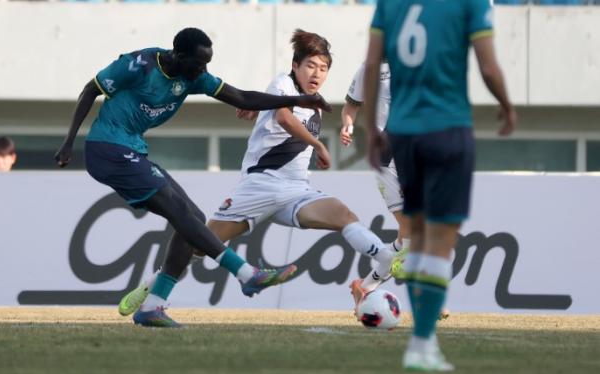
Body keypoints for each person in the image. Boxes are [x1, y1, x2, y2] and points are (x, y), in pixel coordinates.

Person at [55, 27, 331, 327]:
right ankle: (245, 273)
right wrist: (69, 142)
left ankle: (153, 306)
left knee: (193, 219)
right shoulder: (139, 65)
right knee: (178, 210)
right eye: (199, 63)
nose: (203, 70)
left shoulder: (195, 77)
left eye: (207, 63)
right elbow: (90, 89)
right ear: (178, 55)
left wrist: (297, 100)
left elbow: (241, 97)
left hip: (132, 149)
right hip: (106, 147)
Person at [118, 29, 395, 326]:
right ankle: (154, 287)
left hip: (296, 192)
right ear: (295, 66)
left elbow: (269, 110)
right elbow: (283, 117)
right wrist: (317, 144)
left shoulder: (313, 104)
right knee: (199, 244)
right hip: (260, 186)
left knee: (343, 215)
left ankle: (385, 258)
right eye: (310, 66)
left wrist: (257, 111)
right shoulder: (283, 83)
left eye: (323, 68)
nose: (317, 73)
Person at [362, 0, 516, 371]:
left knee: (416, 236)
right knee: (440, 241)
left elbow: (371, 66)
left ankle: (420, 340)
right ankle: (423, 343)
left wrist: (372, 130)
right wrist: (506, 105)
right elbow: (488, 66)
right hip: (448, 128)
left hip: (404, 134)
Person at [340, 61, 411, 304]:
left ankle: (365, 286)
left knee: (407, 237)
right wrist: (348, 125)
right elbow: (351, 106)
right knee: (411, 229)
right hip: (386, 155)